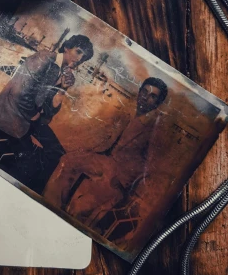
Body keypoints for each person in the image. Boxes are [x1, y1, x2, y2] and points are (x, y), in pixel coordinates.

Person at [47, 77, 168, 233]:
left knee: (83, 204)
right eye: (144, 92)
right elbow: (107, 138)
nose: (145, 97)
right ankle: (51, 207)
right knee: (67, 161)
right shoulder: (127, 113)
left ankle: (69, 227)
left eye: (152, 96)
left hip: (119, 177)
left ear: (158, 103)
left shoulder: (154, 129)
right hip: (104, 160)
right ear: (139, 92)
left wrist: (124, 183)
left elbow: (149, 166)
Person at [0, 34, 94, 193]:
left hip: (28, 116)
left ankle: (34, 190)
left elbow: (50, 110)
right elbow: (19, 93)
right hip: (11, 113)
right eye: (78, 51)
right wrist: (34, 115)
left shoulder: (61, 71)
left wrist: (62, 89)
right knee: (30, 161)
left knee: (57, 153)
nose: (80, 58)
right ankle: (14, 191)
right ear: (66, 47)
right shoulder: (45, 58)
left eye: (84, 57)